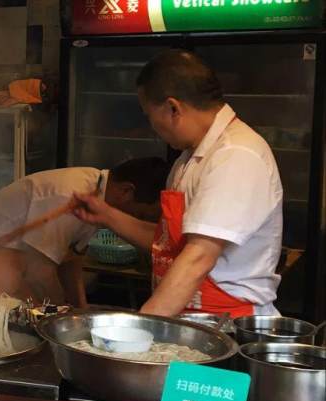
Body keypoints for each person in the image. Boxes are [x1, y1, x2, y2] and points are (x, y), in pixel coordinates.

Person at [74, 49, 283, 318]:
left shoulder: (235, 154)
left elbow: (198, 257)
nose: (152, 126)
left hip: (226, 326)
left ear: (173, 108)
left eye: (149, 115)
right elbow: (169, 242)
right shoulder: (188, 159)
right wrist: (107, 215)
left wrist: (143, 329)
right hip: (187, 319)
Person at [0, 158, 170, 307]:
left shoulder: (96, 192)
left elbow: (70, 262)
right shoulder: (70, 194)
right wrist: (63, 315)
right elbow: (40, 271)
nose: (135, 222)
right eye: (140, 215)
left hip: (16, 260)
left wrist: (79, 310)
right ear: (126, 192)